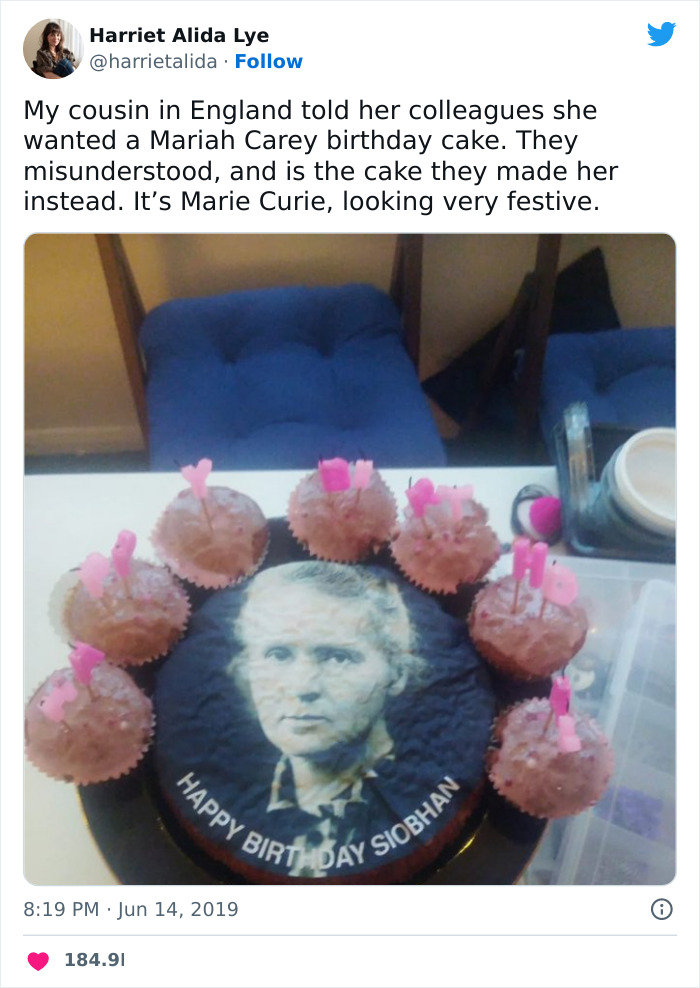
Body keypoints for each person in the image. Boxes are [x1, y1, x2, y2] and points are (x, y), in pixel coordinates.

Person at [228, 561, 428, 875]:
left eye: (337, 657)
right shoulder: (232, 800)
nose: (303, 687)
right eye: (278, 654)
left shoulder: (423, 796)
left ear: (397, 673)